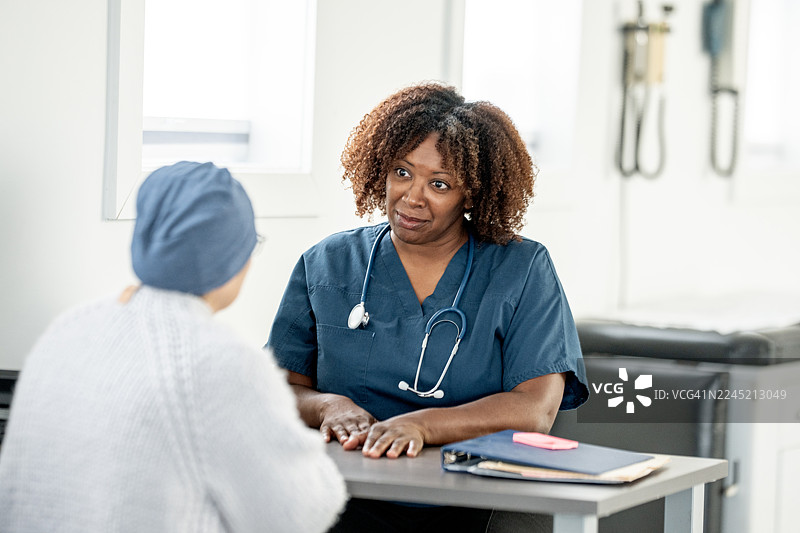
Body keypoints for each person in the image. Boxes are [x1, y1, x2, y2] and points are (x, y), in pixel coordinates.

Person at [266, 83, 589, 531]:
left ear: (471, 194)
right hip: (342, 496)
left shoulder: (520, 268)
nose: (412, 197)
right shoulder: (328, 263)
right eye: (402, 172)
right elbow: (279, 388)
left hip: (470, 502)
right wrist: (328, 406)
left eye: (439, 184)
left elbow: (535, 409)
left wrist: (422, 425)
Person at [0, 162, 346, 533]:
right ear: (233, 255)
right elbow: (295, 515)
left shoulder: (68, 329)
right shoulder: (224, 361)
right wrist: (305, 452)